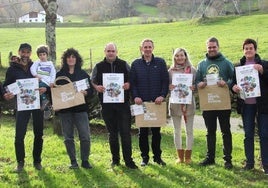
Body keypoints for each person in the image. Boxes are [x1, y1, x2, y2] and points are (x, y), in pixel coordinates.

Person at [91, 42, 138, 169]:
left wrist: (128, 84)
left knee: (125, 133)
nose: (111, 53)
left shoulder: (123, 64)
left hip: (123, 104)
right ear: (105, 52)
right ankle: (115, 160)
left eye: (113, 51)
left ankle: (129, 161)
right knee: (112, 133)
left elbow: (132, 78)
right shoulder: (98, 66)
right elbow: (92, 81)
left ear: (116, 52)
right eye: (108, 51)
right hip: (106, 105)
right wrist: (97, 87)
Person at [3, 43, 47, 172]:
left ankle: (37, 161)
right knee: (19, 135)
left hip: (37, 104)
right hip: (22, 105)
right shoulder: (12, 69)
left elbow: (46, 81)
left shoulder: (37, 66)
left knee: (39, 133)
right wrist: (6, 94)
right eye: (23, 52)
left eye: (28, 52)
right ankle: (20, 163)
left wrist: (45, 88)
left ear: (31, 53)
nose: (25, 55)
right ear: (19, 52)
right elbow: (6, 86)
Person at [196, 37, 234, 169]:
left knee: (226, 131)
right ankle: (210, 157)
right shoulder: (201, 64)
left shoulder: (226, 63)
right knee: (210, 131)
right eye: (209, 47)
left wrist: (227, 83)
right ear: (206, 48)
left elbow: (234, 79)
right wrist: (199, 84)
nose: (211, 49)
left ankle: (228, 159)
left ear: (218, 47)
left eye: (214, 47)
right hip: (208, 103)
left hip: (222, 103)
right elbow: (197, 81)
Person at [130, 38, 169, 166]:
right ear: (141, 48)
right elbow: (133, 83)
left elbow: (165, 81)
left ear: (153, 48)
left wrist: (162, 96)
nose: (147, 49)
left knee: (156, 133)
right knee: (143, 133)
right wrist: (135, 96)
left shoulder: (160, 62)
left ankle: (157, 157)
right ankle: (144, 158)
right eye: (145, 47)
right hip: (142, 104)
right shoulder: (135, 64)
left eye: (149, 47)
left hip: (156, 103)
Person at [232, 38, 268, 175]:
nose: (248, 50)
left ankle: (266, 164)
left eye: (250, 48)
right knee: (248, 135)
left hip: (263, 106)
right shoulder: (238, 66)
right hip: (247, 106)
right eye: (246, 48)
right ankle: (250, 163)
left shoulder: (264, 64)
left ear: (255, 49)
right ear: (243, 50)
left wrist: (263, 71)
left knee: (264, 135)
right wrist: (233, 87)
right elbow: (233, 83)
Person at [56, 48, 94, 169]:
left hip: (80, 110)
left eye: (73, 57)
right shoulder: (59, 75)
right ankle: (73, 161)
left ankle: (85, 160)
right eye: (68, 57)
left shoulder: (83, 74)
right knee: (68, 137)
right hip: (65, 111)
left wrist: (86, 93)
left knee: (85, 136)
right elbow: (55, 94)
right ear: (65, 59)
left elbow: (91, 91)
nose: (71, 59)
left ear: (77, 59)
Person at [168, 48, 196, 164]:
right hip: (175, 104)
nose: (179, 58)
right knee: (177, 131)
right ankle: (179, 156)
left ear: (185, 56)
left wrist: (193, 88)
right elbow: (166, 86)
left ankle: (188, 156)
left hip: (188, 103)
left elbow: (197, 85)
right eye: (177, 56)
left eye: (181, 55)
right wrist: (169, 87)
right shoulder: (170, 71)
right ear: (174, 57)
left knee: (189, 131)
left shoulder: (192, 70)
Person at [30, 45, 56, 110]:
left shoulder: (50, 63)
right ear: (38, 56)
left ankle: (44, 101)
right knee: (36, 88)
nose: (42, 56)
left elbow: (53, 73)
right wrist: (36, 75)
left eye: (44, 54)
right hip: (40, 80)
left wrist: (52, 82)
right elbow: (32, 68)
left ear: (47, 55)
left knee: (37, 88)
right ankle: (46, 108)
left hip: (47, 82)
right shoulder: (37, 62)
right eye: (40, 55)